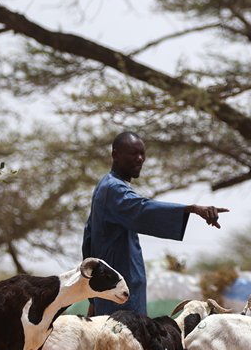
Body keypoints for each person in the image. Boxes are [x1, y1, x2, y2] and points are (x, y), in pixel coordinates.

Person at [81, 131, 228, 316]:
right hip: (119, 293)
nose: (140, 159)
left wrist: (93, 297)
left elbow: (89, 238)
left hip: (114, 291)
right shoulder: (113, 189)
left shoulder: (106, 186)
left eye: (142, 153)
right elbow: (142, 210)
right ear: (115, 155)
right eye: (133, 153)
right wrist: (191, 209)